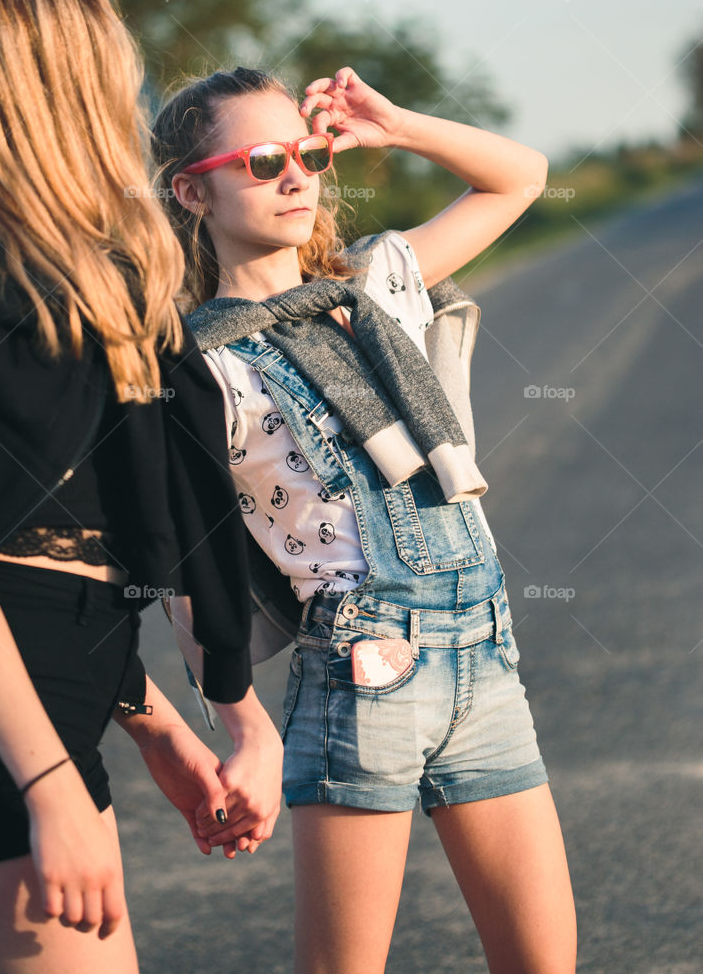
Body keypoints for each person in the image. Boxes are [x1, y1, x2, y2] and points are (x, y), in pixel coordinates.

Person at [0, 0, 282, 973]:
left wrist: (159, 724)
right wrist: (46, 782)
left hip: (43, 715)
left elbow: (65, 544)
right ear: (56, 58)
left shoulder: (70, 273)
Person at [151, 65, 577, 974]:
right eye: (262, 162)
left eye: (306, 155)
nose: (296, 177)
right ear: (191, 191)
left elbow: (520, 177)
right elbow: (190, 563)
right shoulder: (190, 362)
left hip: (484, 656)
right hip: (358, 669)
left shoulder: (373, 283)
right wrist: (237, 725)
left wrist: (395, 126)